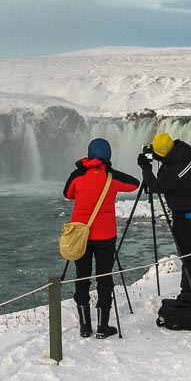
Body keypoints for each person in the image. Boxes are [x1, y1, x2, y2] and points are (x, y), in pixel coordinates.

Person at [63, 138, 140, 338]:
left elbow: (67, 194)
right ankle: (103, 327)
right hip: (106, 236)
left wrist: (83, 169)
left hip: (81, 235)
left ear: (88, 154)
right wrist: (108, 169)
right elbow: (134, 184)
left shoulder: (78, 176)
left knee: (82, 276)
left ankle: (85, 326)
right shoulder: (111, 178)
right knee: (104, 277)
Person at [136, 132, 191, 296]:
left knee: (187, 254)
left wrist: (146, 168)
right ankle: (189, 288)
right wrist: (155, 154)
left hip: (186, 215)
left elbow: (156, 186)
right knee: (189, 251)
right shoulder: (184, 149)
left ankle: (189, 292)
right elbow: (169, 158)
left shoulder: (175, 171)